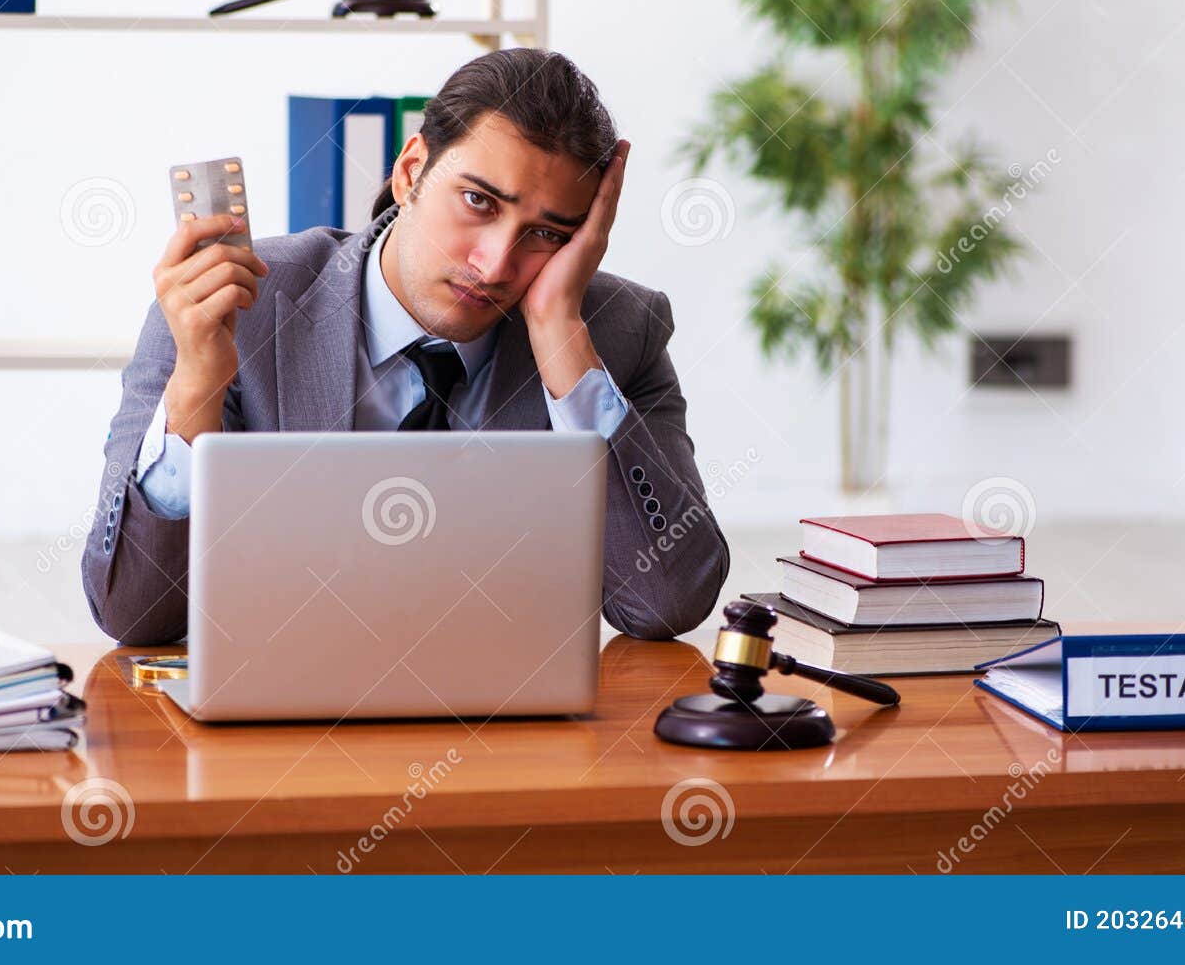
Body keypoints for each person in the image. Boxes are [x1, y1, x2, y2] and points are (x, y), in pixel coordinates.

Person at [81, 48, 729, 645]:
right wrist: (197, 389)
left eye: (547, 234)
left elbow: (667, 600)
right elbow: (135, 613)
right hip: (281, 749)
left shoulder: (618, 334)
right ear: (411, 169)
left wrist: (562, 342)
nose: (495, 262)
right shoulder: (231, 314)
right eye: (478, 201)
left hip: (507, 747)